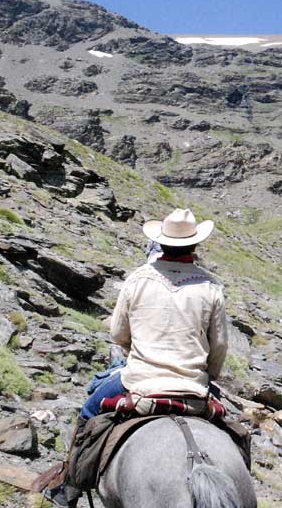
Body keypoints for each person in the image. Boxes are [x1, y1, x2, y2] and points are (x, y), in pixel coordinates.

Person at [46, 208, 227, 507]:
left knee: (89, 411)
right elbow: (218, 345)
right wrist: (210, 376)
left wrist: (137, 350)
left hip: (139, 381)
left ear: (162, 242)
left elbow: (118, 334)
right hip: (194, 386)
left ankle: (70, 486)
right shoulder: (210, 287)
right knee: (235, 431)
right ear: (195, 245)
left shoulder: (138, 279)